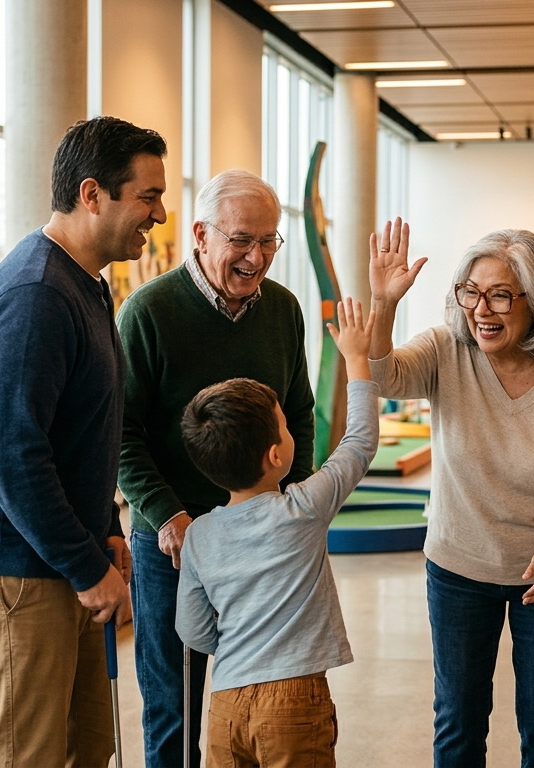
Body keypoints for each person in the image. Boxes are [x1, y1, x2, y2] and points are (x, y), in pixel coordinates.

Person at [0, 116, 165, 766]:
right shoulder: (36, 295)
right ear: (93, 194)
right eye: (148, 196)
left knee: (86, 747)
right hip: (14, 568)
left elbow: (79, 433)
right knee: (26, 757)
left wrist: (105, 532)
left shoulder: (85, 283)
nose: (160, 213)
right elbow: (13, 456)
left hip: (63, 556)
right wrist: (87, 564)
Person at [368, 219, 534, 768]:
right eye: (471, 292)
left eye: (501, 295)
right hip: (459, 570)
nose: (481, 309)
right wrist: (384, 304)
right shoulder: (445, 349)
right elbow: (384, 378)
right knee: (458, 720)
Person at [117, 169, 315, 767]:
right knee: (173, 703)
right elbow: (121, 437)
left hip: (259, 540)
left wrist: (293, 505)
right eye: (242, 240)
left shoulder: (283, 310)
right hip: (173, 543)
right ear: (201, 234)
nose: (257, 257)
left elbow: (300, 414)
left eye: (270, 241)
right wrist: (168, 515)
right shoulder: (147, 312)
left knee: (258, 698)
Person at [175, 298, 377, 767]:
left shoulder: (199, 536)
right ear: (275, 456)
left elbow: (194, 631)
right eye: (285, 428)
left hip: (225, 701)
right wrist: (356, 358)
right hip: (294, 701)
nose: (290, 433)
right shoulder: (304, 508)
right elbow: (361, 440)